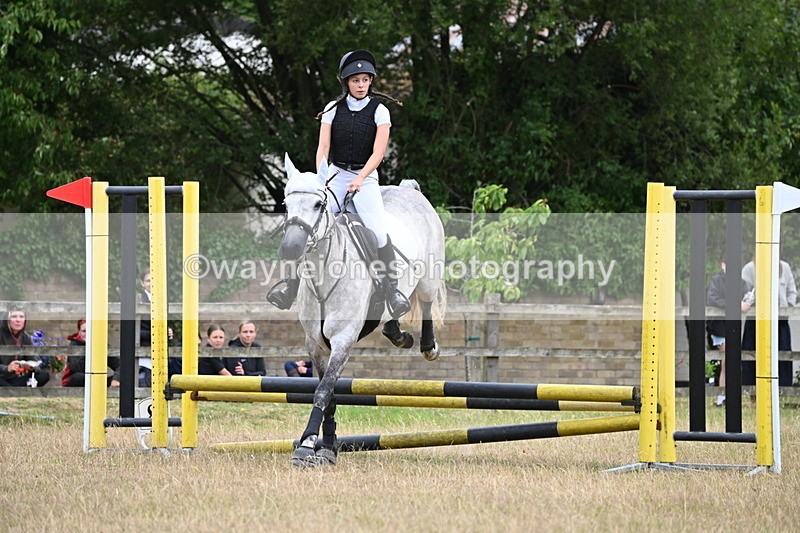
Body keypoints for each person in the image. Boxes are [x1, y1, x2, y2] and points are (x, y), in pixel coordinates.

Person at [267, 49, 410, 319]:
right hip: (334, 175)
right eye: (355, 80)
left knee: (378, 231)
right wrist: (323, 176)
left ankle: (392, 290)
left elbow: (378, 153)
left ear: (370, 81)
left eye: (364, 80)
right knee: (308, 225)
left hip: (365, 178)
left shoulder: (380, 111)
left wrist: (359, 178)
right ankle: (291, 285)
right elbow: (322, 147)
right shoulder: (333, 110)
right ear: (347, 82)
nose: (360, 85)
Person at [706, 261, 753, 406]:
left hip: (734, 327)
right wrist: (735, 304)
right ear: (723, 265)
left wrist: (748, 301)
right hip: (719, 327)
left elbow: (748, 295)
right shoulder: (716, 281)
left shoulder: (741, 283)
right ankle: (722, 397)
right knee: (727, 362)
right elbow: (712, 299)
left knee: (730, 362)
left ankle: (727, 396)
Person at [741, 257, 796, 352]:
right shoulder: (749, 268)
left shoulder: (784, 267)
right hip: (755, 320)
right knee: (751, 354)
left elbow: (792, 291)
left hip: (780, 320)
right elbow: (742, 292)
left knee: (783, 354)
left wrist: (787, 307)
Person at [137, 268, 174, 387]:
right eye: (148, 280)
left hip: (160, 349)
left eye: (154, 280)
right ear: (142, 283)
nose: (151, 283)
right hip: (144, 348)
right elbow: (136, 329)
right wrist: (158, 333)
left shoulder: (163, 300)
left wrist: (168, 332)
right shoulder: (139, 300)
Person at [0, 306, 50, 387]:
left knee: (43, 376)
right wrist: (6, 368)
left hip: (16, 378)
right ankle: (12, 391)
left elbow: (34, 359)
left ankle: (11, 390)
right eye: (14, 316)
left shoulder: (26, 337)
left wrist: (32, 366)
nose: (18, 320)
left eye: (21, 317)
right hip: (1, 377)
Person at [61, 319, 120, 387]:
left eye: (90, 331)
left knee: (124, 378)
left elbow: (119, 365)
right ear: (79, 332)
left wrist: (116, 379)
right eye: (84, 331)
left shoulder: (101, 345)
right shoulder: (75, 344)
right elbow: (77, 368)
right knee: (80, 377)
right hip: (77, 379)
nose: (87, 334)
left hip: (97, 380)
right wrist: (87, 345)